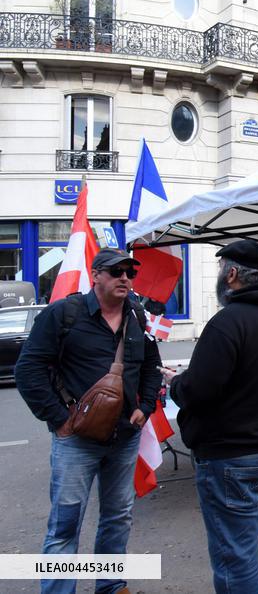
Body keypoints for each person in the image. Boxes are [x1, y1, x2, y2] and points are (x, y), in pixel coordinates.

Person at [160, 239, 258, 594]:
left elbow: (199, 390)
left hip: (233, 457)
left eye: (221, 267)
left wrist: (177, 383)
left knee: (235, 555)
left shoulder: (228, 322)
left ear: (233, 274)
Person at [15, 248, 160, 594]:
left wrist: (147, 406)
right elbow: (28, 370)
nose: (125, 277)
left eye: (130, 272)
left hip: (124, 437)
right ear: (96, 275)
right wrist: (59, 419)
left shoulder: (137, 316)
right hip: (76, 441)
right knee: (65, 524)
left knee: (118, 516)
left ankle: (111, 584)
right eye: (116, 271)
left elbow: (151, 367)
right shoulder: (63, 314)